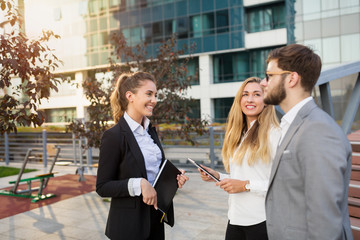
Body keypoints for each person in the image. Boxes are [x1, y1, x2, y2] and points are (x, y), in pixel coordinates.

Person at [261, 44, 353, 240]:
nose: (263, 82)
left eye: (269, 75)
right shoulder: (295, 124)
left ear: (292, 78)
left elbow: (325, 223)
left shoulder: (318, 130)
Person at [96, 72, 189, 240]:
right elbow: (102, 187)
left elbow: (153, 171)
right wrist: (139, 184)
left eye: (155, 95)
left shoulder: (150, 131)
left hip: (155, 220)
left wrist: (172, 177)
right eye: (149, 94)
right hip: (128, 228)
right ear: (130, 96)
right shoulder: (114, 136)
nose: (154, 100)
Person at [198, 77, 281, 240]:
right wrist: (217, 176)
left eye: (257, 94)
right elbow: (241, 178)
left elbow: (281, 184)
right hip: (235, 219)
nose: (250, 99)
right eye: (245, 94)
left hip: (261, 222)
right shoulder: (237, 134)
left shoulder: (275, 133)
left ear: (266, 100)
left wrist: (245, 185)